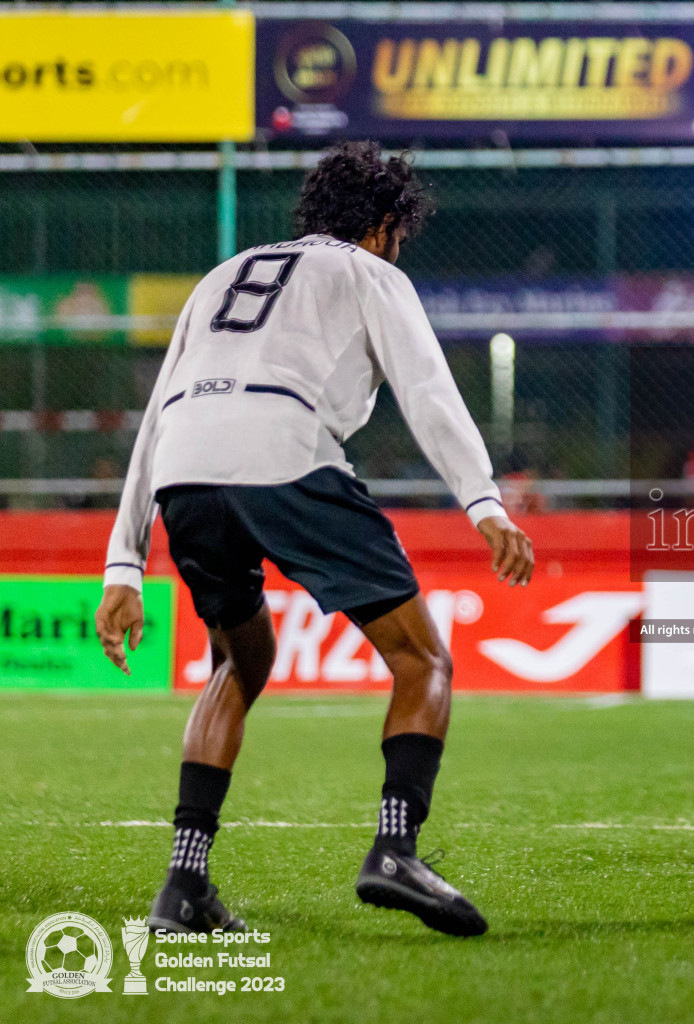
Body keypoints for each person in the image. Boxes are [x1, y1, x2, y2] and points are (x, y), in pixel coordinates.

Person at [93, 142, 535, 937]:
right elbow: (427, 390)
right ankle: (395, 849)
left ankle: (184, 882)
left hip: (183, 468)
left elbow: (158, 411)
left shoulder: (220, 275)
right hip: (285, 453)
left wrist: (123, 564)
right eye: (399, 231)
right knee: (422, 659)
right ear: (384, 225)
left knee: (238, 660)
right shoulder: (369, 273)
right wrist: (484, 503)